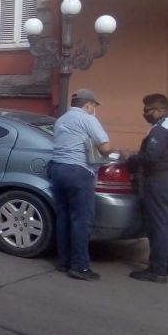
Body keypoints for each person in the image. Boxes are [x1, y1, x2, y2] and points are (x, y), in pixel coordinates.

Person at [49, 89, 114, 281]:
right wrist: (110, 150)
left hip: (57, 169)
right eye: (93, 106)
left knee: (63, 217)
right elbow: (105, 147)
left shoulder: (61, 120)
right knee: (81, 220)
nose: (94, 109)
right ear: (88, 105)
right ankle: (79, 266)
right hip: (78, 172)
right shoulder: (88, 119)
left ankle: (64, 262)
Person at [127, 93, 168, 283]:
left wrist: (131, 159)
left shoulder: (160, 129)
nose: (145, 114)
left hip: (158, 181)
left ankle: (157, 270)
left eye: (147, 110)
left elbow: (151, 157)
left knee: (158, 226)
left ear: (159, 110)